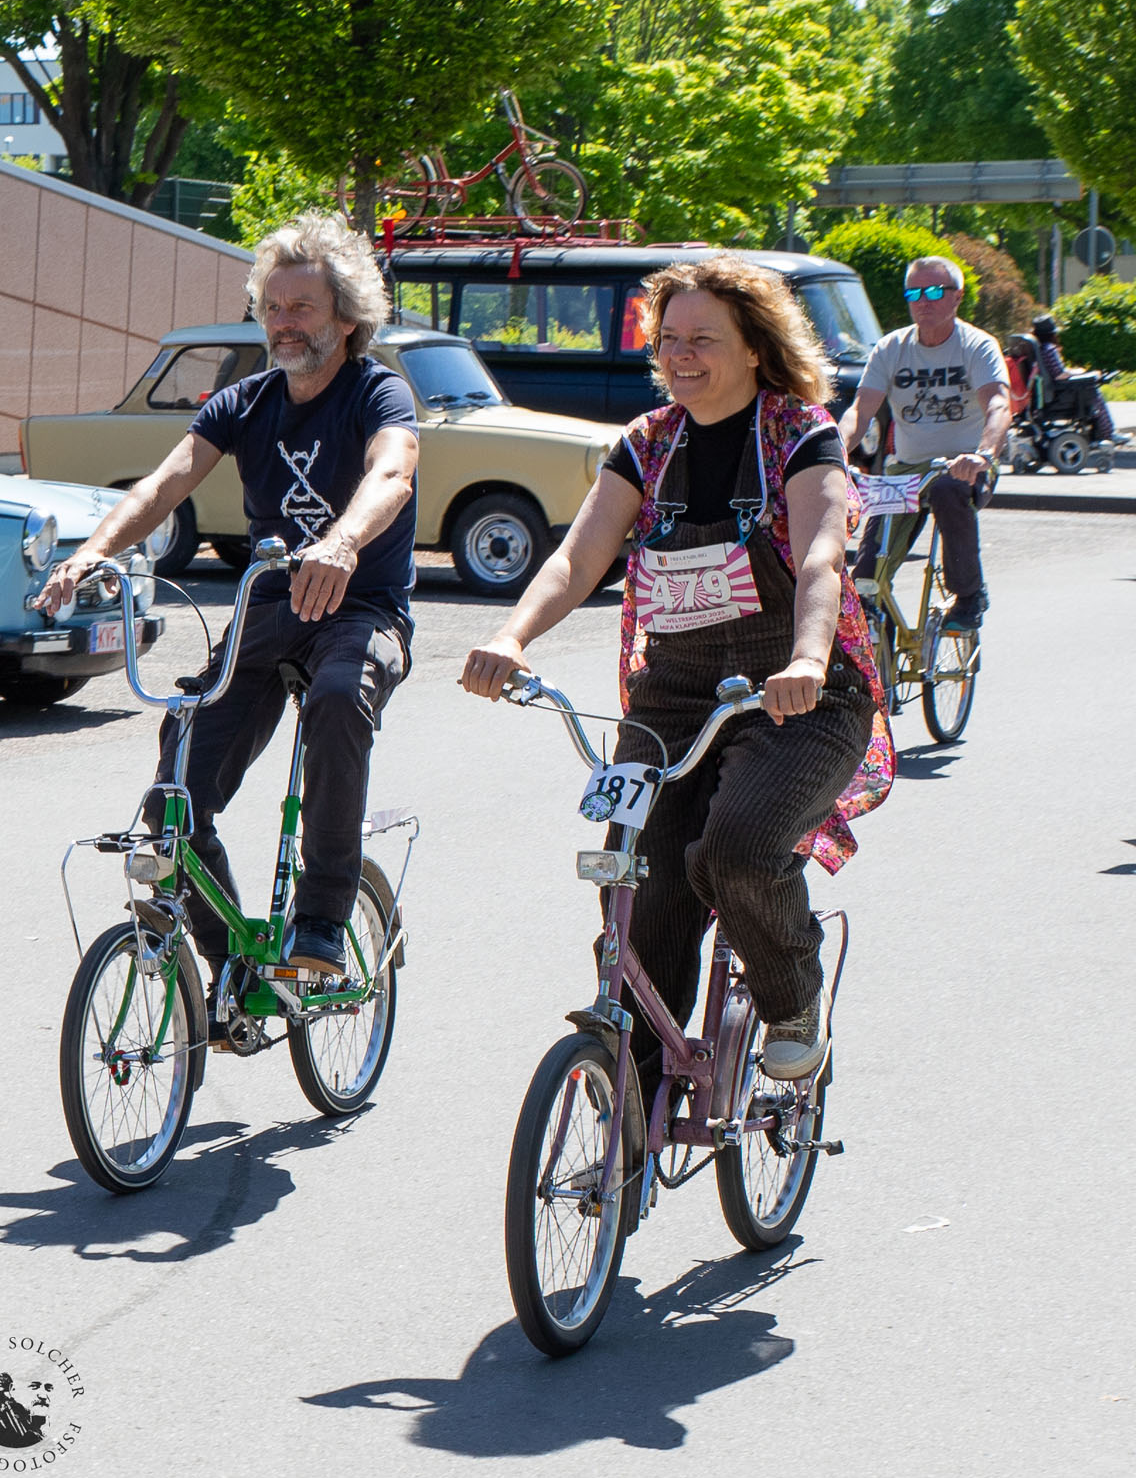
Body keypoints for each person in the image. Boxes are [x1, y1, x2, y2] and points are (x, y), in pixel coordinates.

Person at [461, 255, 894, 1085]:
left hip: (799, 696)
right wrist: (513, 638)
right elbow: (577, 558)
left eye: (704, 338)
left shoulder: (799, 435)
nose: (682, 355)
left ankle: (793, 996)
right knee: (640, 878)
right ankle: (633, 1083)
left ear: (755, 348)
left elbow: (819, 562)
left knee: (734, 848)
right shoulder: (648, 444)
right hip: (674, 692)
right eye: (669, 341)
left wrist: (808, 656)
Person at [37, 213, 419, 1003]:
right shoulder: (243, 403)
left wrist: (343, 542)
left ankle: (320, 920)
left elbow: (393, 473)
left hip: (360, 610)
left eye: (302, 308)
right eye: (272, 308)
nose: (283, 324)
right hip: (267, 612)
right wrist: (92, 553)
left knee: (340, 699)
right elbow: (162, 484)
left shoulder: (376, 391)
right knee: (174, 791)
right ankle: (234, 961)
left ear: (345, 318)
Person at [839, 256, 1010, 632]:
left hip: (965, 465)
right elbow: (861, 410)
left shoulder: (977, 346)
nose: (924, 301)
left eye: (934, 291)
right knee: (865, 578)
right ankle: (876, 651)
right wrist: (834, 448)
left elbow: (998, 404)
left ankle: (968, 596)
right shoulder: (891, 348)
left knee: (951, 490)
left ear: (957, 297)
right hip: (907, 470)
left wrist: (982, 455)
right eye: (914, 293)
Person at [1031, 313, 1129, 445]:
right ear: (1052, 333)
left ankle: (1098, 433)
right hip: (1061, 395)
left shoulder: (1039, 349)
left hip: (1053, 393)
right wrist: (1082, 373)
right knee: (1093, 390)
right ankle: (1108, 433)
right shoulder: (1049, 349)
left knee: (1090, 386)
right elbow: (1060, 375)